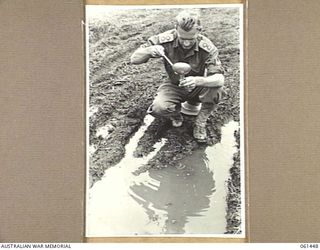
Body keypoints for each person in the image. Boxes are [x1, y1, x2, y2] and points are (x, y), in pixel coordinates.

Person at [130, 11, 225, 142]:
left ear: (199, 32)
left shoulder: (207, 47)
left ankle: (200, 123)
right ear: (176, 29)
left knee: (216, 89)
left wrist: (197, 80)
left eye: (191, 39)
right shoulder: (164, 39)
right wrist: (149, 51)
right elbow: (134, 59)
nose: (186, 43)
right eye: (182, 38)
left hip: (197, 86)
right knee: (159, 108)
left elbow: (220, 79)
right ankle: (175, 115)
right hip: (174, 85)